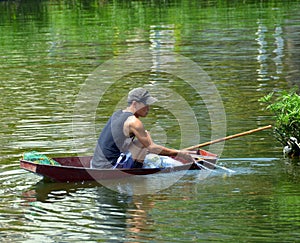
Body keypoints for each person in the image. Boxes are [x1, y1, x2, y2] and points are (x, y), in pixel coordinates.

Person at [91, 87, 194, 169]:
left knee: (143, 140)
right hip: (109, 167)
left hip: (95, 164)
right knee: (145, 144)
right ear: (135, 104)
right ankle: (137, 171)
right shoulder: (134, 122)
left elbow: (121, 145)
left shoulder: (117, 114)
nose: (148, 108)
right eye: (146, 104)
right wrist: (179, 153)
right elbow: (152, 148)